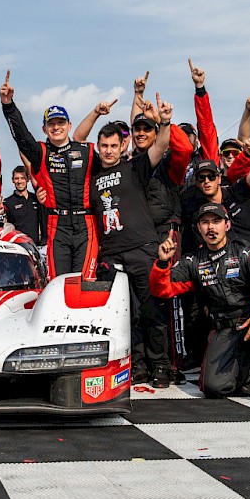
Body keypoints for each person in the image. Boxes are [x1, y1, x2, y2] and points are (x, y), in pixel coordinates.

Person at [151, 203, 250, 406]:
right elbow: (163, 289)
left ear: (227, 225)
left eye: (216, 221)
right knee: (213, 388)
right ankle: (248, 369)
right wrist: (162, 262)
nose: (211, 227)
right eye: (205, 223)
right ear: (199, 228)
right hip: (225, 328)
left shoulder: (247, 252)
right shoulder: (192, 261)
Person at [90, 94, 171, 387]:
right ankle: (137, 365)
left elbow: (160, 146)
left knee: (151, 310)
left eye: (114, 146)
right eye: (104, 146)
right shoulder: (92, 175)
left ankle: (160, 365)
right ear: (98, 146)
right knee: (126, 314)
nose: (109, 150)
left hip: (142, 248)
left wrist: (165, 122)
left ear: (122, 146)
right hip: (112, 254)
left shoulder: (134, 166)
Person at [0, 70, 100, 278]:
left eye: (60, 123)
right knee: (58, 282)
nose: (56, 127)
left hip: (86, 225)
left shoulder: (87, 151)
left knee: (84, 282)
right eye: (51, 124)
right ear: (44, 129)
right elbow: (22, 137)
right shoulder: (41, 152)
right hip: (57, 225)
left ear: (69, 126)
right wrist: (8, 105)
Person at [3, 165, 46, 246]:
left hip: (36, 246)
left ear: (28, 179)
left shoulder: (36, 198)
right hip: (17, 246)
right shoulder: (8, 202)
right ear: (12, 180)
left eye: (22, 178)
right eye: (16, 178)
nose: (19, 181)